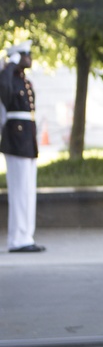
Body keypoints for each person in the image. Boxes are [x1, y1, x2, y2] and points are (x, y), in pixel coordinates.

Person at [1, 41, 45, 253]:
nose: (30, 58)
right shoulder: (8, 78)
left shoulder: (24, 81)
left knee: (28, 190)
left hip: (27, 138)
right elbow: (5, 93)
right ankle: (16, 239)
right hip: (16, 139)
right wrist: (9, 66)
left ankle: (26, 235)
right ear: (17, 57)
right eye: (25, 55)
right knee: (19, 190)